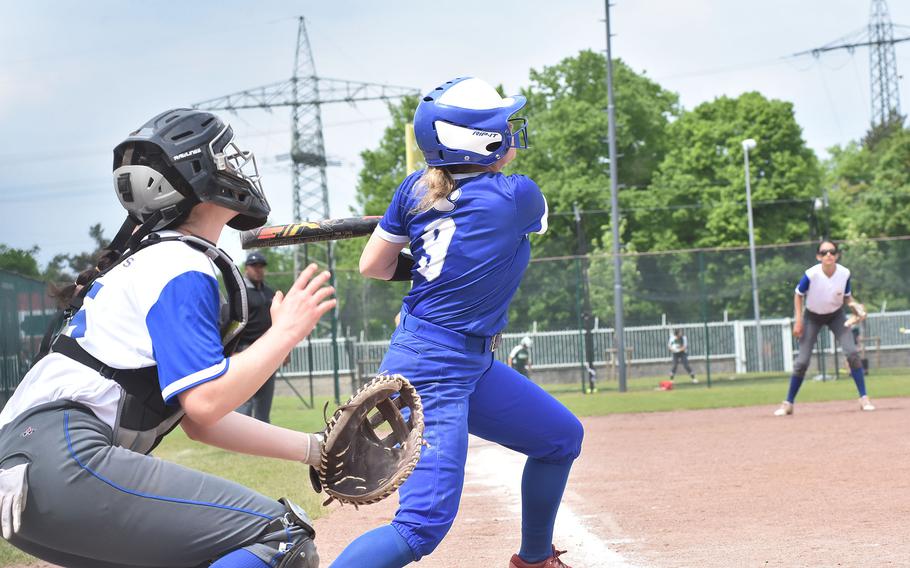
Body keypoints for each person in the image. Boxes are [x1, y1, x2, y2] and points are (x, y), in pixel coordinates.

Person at [0, 109, 336, 568]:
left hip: (31, 467)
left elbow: (201, 420)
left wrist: (313, 450)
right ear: (198, 179)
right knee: (278, 537)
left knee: (198, 552)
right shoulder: (181, 265)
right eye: (225, 156)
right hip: (63, 456)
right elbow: (205, 401)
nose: (236, 165)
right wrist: (285, 333)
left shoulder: (153, 261)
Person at [335, 77, 583, 568]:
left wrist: (424, 252)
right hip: (434, 368)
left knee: (559, 438)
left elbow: (375, 266)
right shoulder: (519, 196)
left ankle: (534, 560)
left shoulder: (413, 189)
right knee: (420, 527)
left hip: (462, 357)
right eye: (499, 126)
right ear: (476, 139)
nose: (510, 132)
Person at [774, 240, 874, 416]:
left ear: (837, 255)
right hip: (812, 317)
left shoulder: (844, 273)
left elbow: (847, 297)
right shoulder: (811, 274)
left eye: (832, 251)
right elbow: (798, 295)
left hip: (836, 315)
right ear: (818, 256)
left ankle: (864, 398)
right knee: (802, 361)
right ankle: (788, 403)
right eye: (824, 252)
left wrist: (856, 307)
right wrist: (798, 320)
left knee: (852, 353)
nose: (829, 254)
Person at [236, 250, 278, 423]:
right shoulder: (241, 292)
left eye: (261, 266)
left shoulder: (269, 293)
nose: (258, 269)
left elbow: (277, 321)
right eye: (254, 266)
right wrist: (234, 350)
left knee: (264, 398)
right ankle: (237, 433)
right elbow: (233, 323)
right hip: (247, 349)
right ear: (246, 268)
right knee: (244, 396)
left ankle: (262, 432)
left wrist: (285, 350)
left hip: (269, 349)